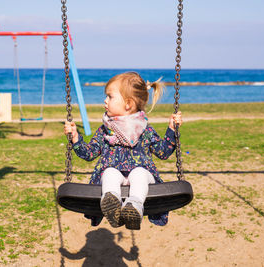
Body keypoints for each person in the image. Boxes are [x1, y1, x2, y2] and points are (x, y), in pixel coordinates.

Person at [64, 72, 182, 230]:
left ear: (128, 104)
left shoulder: (145, 130)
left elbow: (163, 152)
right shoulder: (105, 130)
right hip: (114, 178)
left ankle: (134, 207)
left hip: (143, 178)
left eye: (110, 97)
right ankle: (113, 206)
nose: (105, 100)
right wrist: (76, 139)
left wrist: (172, 130)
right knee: (109, 172)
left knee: (138, 173)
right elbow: (89, 153)